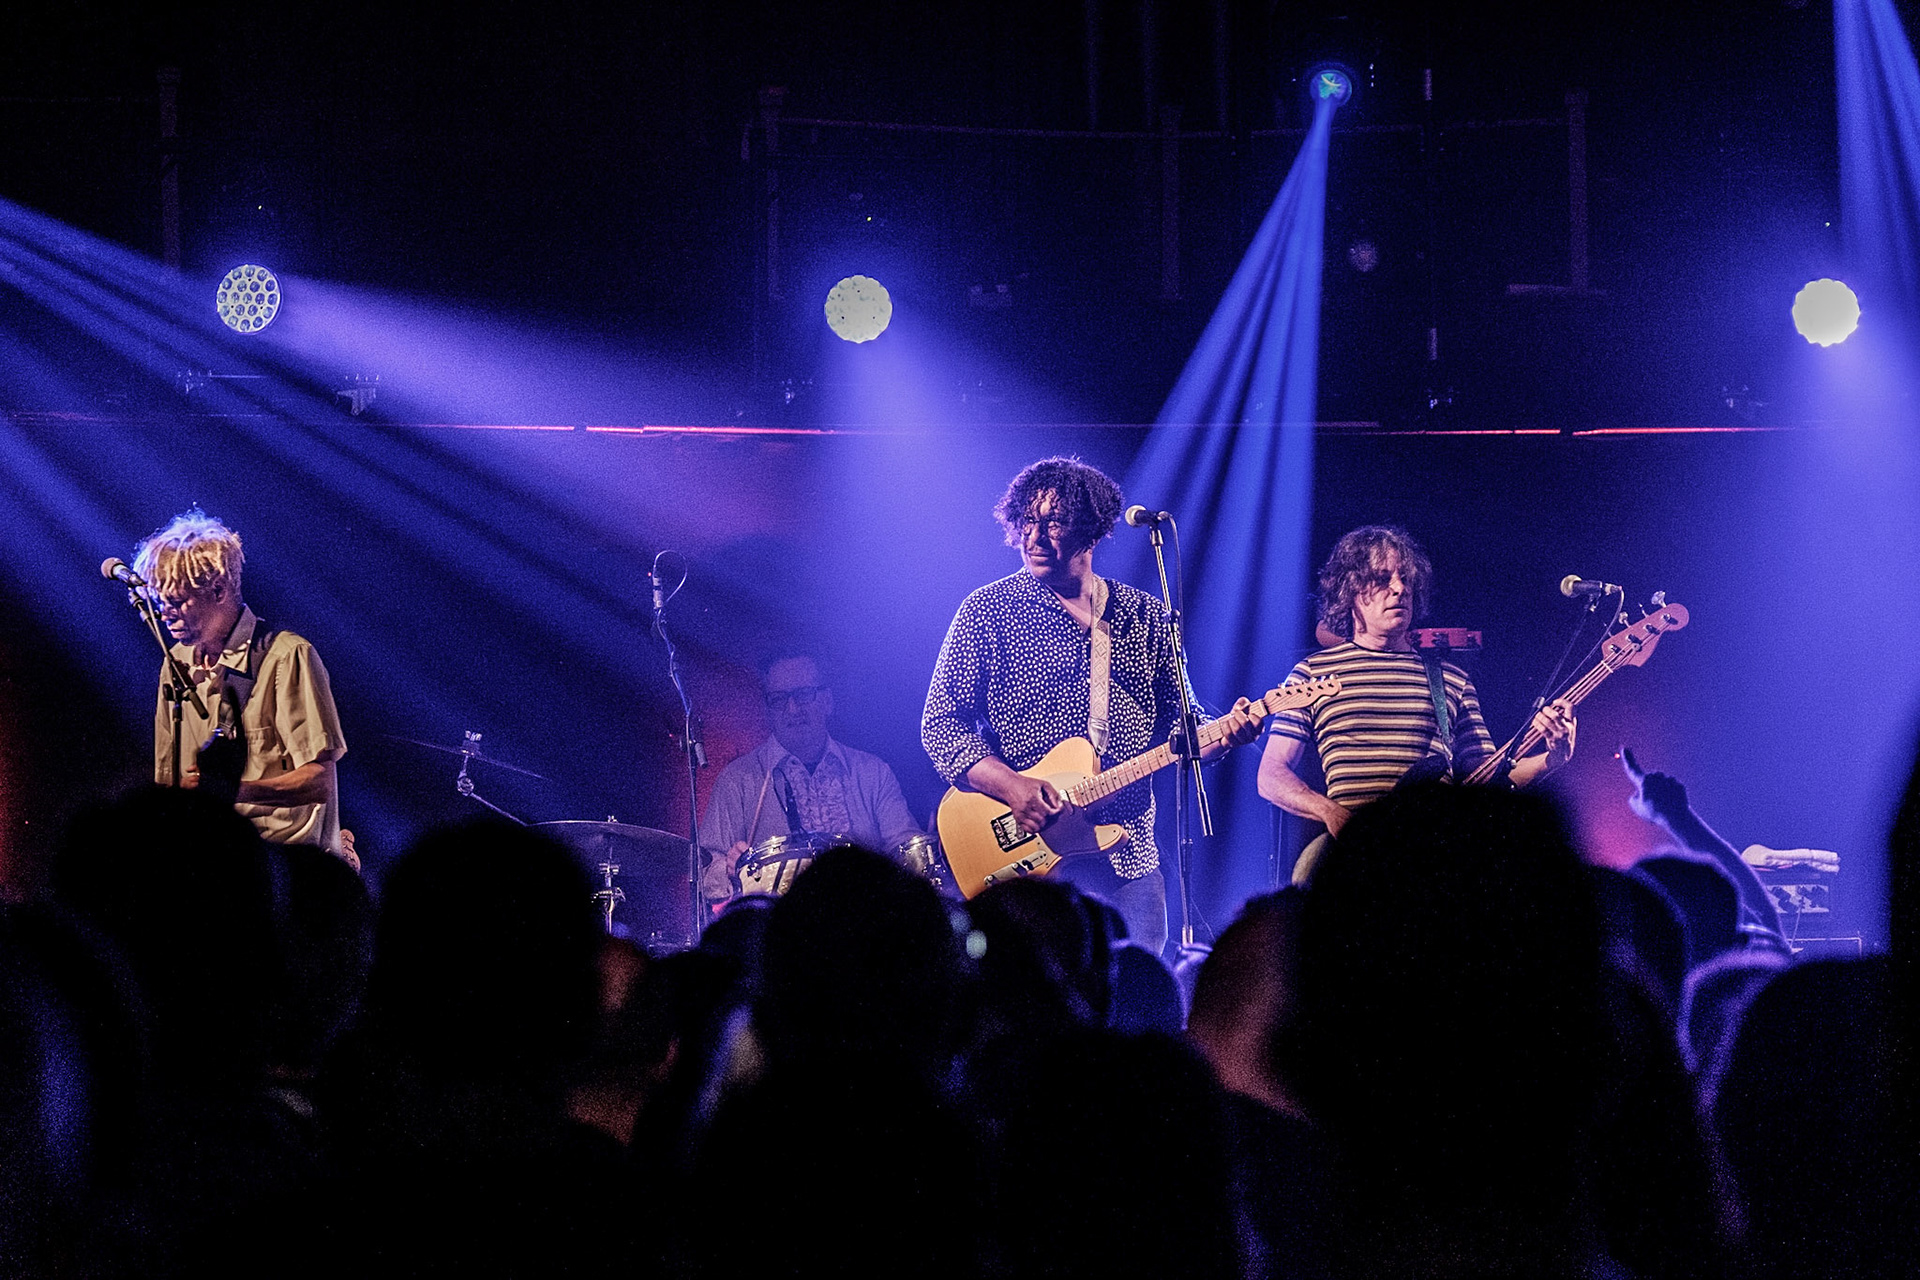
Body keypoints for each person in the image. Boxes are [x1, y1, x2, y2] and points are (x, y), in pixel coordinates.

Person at [922, 456, 1260, 955]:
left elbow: (1186, 730)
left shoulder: (1145, 615)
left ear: (1092, 529)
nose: (1035, 537)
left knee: (1136, 984)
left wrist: (1226, 735)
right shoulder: (988, 611)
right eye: (1027, 521)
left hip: (1128, 852)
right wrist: (1013, 787)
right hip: (1029, 852)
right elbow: (940, 724)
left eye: (1054, 522)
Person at [1257, 524, 1574, 882]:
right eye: (1382, 578)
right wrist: (1330, 813)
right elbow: (1271, 775)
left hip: (1433, 857)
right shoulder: (1312, 674)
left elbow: (1489, 781)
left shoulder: (1450, 679)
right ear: (1350, 590)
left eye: (1405, 578)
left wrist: (1552, 758)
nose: (1400, 588)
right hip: (1354, 855)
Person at [133, 507, 349, 859]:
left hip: (285, 865)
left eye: (177, 601)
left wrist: (232, 791)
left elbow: (318, 782)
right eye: (160, 602)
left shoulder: (287, 656)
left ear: (218, 590)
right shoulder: (175, 664)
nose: (165, 613)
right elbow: (167, 776)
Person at [698, 651, 923, 906]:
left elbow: (908, 851)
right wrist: (730, 869)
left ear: (828, 701)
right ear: (768, 710)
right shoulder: (737, 780)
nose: (793, 709)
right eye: (779, 699)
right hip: (779, 924)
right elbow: (705, 870)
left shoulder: (873, 772)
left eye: (803, 694)